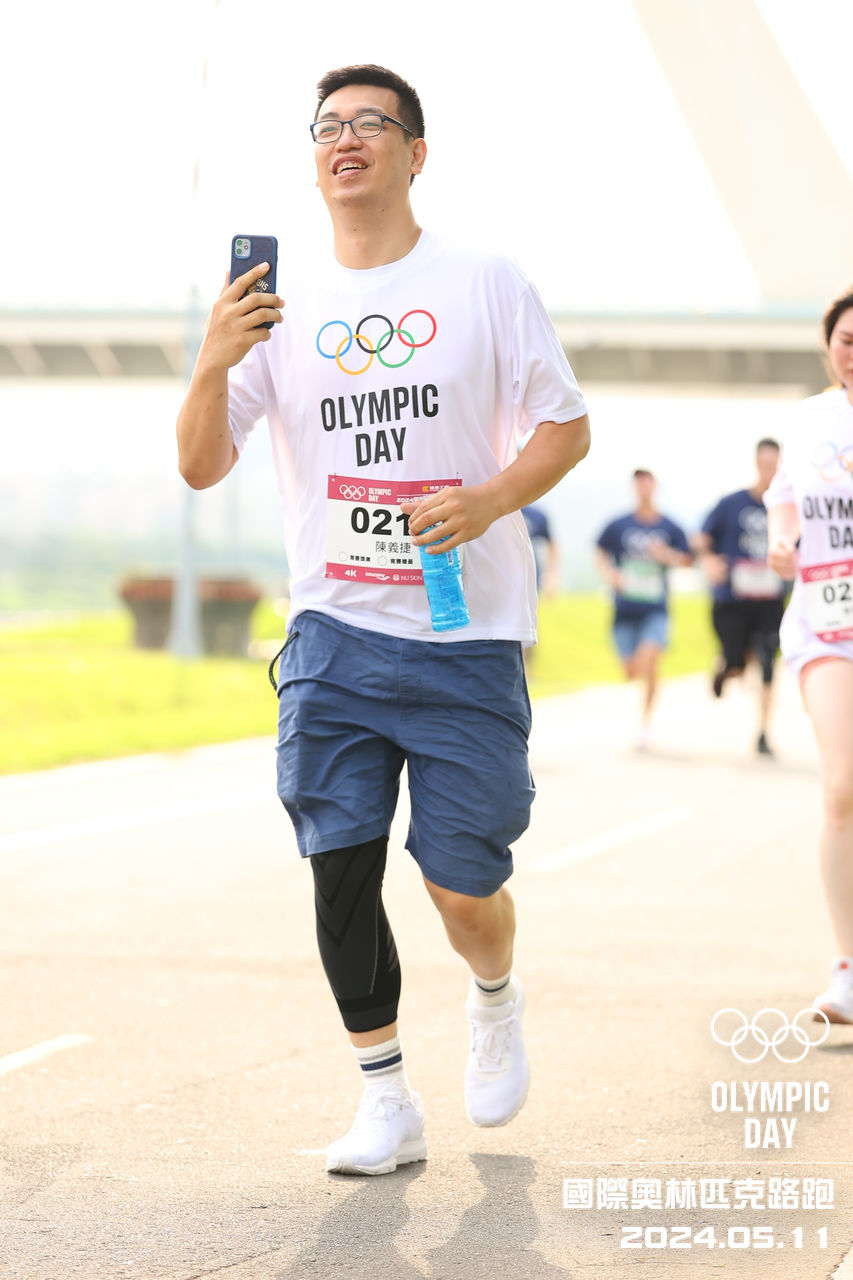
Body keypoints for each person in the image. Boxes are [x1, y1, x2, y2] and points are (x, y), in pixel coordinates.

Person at [175, 64, 590, 1174]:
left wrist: (488, 498)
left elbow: (565, 426)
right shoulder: (275, 304)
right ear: (315, 159)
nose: (344, 138)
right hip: (333, 631)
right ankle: (385, 1096)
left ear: (416, 152)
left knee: (462, 885)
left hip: (466, 632)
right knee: (339, 863)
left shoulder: (484, 280)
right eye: (327, 126)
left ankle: (493, 993)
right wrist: (213, 360)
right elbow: (202, 464)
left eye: (370, 122)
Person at [765, 286, 853, 1025]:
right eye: (847, 340)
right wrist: (781, 540)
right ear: (829, 345)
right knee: (842, 787)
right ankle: (848, 968)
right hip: (828, 622)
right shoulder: (809, 420)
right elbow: (785, 498)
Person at [694, 439, 786, 757]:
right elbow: (701, 538)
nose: (769, 470)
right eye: (764, 464)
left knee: (768, 662)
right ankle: (726, 665)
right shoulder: (731, 504)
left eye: (774, 465)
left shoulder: (786, 507)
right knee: (736, 662)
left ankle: (763, 732)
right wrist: (708, 561)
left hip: (770, 601)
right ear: (756, 464)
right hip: (733, 600)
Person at [595, 470, 691, 748]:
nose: (643, 487)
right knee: (631, 670)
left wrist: (666, 555)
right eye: (639, 483)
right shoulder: (619, 524)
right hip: (624, 609)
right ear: (634, 487)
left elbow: (688, 560)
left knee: (650, 658)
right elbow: (599, 551)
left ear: (655, 486)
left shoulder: (670, 526)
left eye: (647, 482)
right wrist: (609, 574)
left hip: (655, 608)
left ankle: (645, 723)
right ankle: (641, 708)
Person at [521, 503, 560, 672]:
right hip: (500, 577)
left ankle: (525, 668)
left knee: (526, 622)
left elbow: (552, 544)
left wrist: (552, 575)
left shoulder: (536, 515)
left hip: (529, 578)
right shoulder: (497, 506)